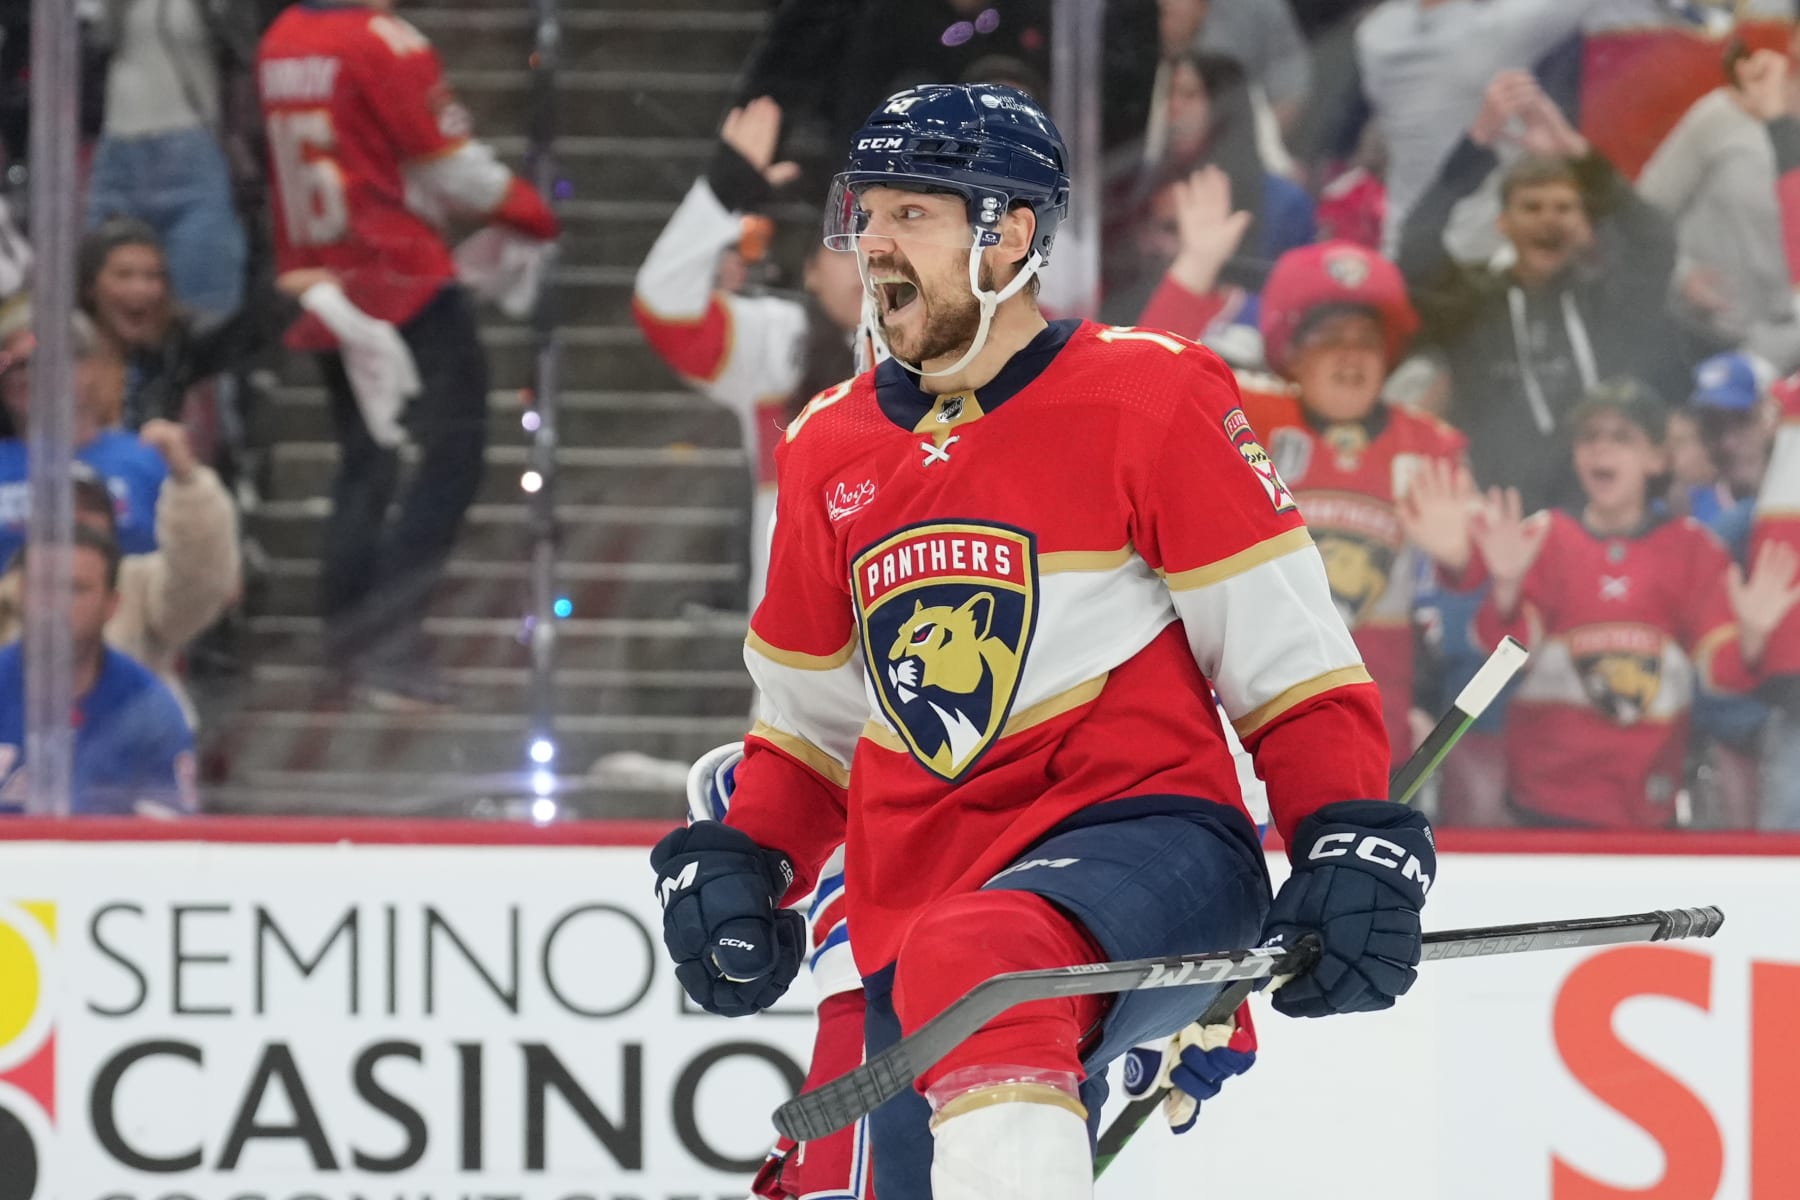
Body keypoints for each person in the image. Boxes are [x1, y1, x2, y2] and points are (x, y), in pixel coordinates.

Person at [650, 84, 1425, 1200]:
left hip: (1144, 851)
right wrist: (749, 859)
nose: (873, 242)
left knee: (984, 954)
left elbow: (1289, 667)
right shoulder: (829, 447)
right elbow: (809, 732)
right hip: (920, 916)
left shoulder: (1148, 396)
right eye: (865, 213)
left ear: (1008, 231)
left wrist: (1346, 837)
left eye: (911, 212)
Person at [257, 0, 559, 708]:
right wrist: (529, 208)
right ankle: (389, 637)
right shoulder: (381, 41)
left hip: (322, 277)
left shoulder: (280, 39)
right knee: (450, 459)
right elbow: (449, 161)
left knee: (367, 460)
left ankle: (346, 635)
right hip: (400, 278)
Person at [1453, 379, 1797, 828]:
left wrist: (1752, 636)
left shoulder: (1693, 549)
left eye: (1621, 438)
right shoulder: (1545, 536)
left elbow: (1721, 672)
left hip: (1645, 806)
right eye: (1589, 438)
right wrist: (1505, 586)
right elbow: (1504, 661)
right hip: (1540, 804)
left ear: (1658, 457)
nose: (1602, 451)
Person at [1399, 71, 1685, 514]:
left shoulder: (1610, 302)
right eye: (1531, 208)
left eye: (1563, 208)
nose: (1548, 221)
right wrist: (1476, 144)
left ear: (1582, 224)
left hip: (1601, 519)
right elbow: (1416, 248)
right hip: (1499, 518)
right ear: (1503, 223)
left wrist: (1578, 154)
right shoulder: (1472, 303)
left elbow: (1654, 241)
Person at [1236, 241, 1468, 764]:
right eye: (1329, 338)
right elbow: (1134, 395)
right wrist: (1192, 271)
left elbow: (1481, 614)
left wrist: (1462, 562)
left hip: (1377, 730)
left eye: (1366, 340)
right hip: (1258, 721)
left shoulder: (1431, 446)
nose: (1350, 354)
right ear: (1290, 350)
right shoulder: (1245, 414)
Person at [633, 96, 867, 608]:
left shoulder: (961, 351)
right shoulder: (776, 343)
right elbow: (664, 308)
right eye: (843, 246)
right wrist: (722, 193)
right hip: (796, 662)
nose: (866, 263)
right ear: (807, 270)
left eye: (885, 240)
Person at [0, 525, 197, 815]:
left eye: (75, 589)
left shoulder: (150, 708)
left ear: (112, 605)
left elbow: (169, 841)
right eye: (42, 585)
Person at [86, 0, 260, 326]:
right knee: (106, 305)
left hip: (193, 150)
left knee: (204, 312)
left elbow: (242, 58)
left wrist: (240, 141)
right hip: (118, 149)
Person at [1638, 45, 1800, 369]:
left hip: (1788, 353)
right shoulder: (1722, 116)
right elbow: (1639, 214)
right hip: (1698, 337)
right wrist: (1680, 275)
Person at [0, 306, 168, 562]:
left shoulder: (149, 457)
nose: (25, 376)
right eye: (12, 365)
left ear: (89, 367)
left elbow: (199, 568)